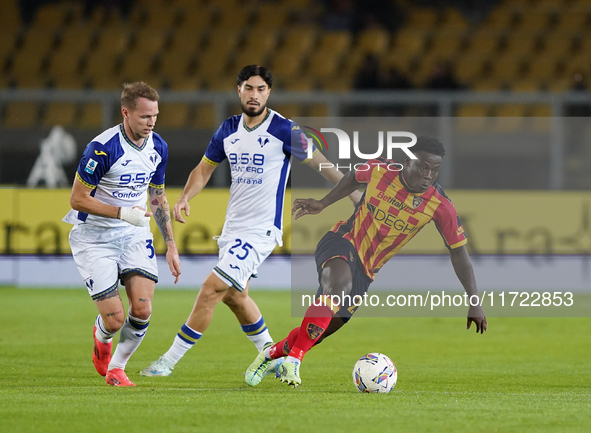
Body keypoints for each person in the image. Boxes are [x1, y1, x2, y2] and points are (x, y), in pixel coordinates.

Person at [140, 65, 361, 378]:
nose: (254, 94)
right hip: (233, 230)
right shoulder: (228, 129)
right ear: (239, 91)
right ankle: (272, 355)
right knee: (235, 296)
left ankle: (168, 361)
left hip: (261, 231)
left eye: (260, 89)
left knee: (211, 289)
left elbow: (319, 163)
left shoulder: (284, 130)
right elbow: (204, 169)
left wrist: (353, 195)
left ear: (268, 93)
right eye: (248, 88)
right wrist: (186, 197)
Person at [245, 135, 487, 388]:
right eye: (423, 166)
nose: (428, 175)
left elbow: (459, 252)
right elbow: (352, 178)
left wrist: (474, 301)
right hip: (342, 240)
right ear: (408, 162)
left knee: (320, 330)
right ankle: (293, 361)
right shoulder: (380, 170)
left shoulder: (440, 205)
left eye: (435, 170)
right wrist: (323, 203)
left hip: (367, 270)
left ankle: (270, 354)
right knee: (336, 289)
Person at [63, 81, 181, 387]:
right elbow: (77, 199)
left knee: (142, 309)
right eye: (144, 117)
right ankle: (102, 336)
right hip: (95, 237)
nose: (151, 122)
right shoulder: (102, 148)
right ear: (125, 112)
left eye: (155, 116)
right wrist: (121, 212)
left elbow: (157, 195)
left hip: (134, 235)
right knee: (115, 319)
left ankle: (117, 368)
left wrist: (170, 244)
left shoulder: (159, 147)